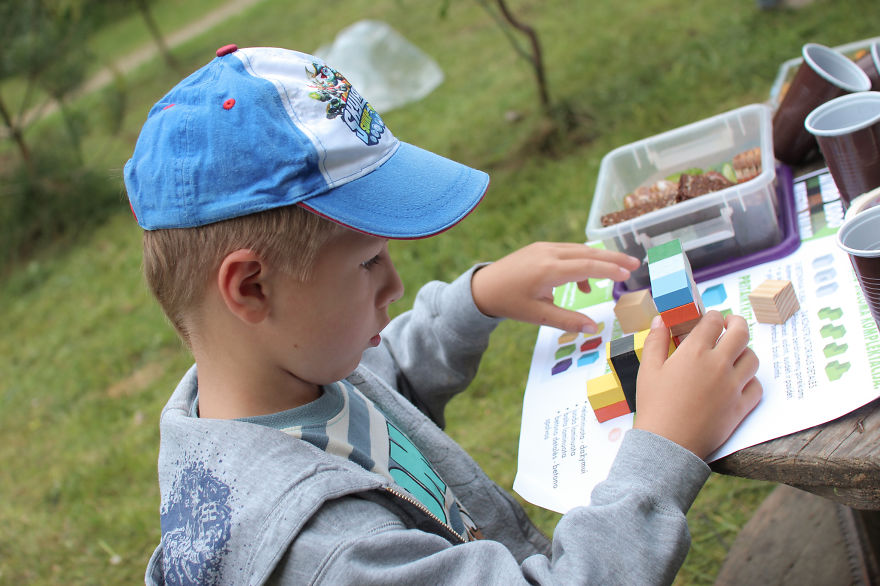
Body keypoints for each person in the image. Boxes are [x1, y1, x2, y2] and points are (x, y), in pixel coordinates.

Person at [124, 45, 762, 585]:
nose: (397, 284)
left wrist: (474, 298)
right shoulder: (332, 553)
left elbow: (383, 378)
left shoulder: (280, 381)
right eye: (370, 262)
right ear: (252, 289)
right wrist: (664, 448)